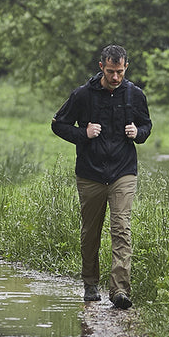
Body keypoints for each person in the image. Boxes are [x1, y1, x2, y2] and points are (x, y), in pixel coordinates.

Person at [50, 45, 152, 310]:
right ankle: (90, 283)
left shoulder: (135, 95)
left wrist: (137, 133)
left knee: (121, 229)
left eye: (119, 71)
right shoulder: (83, 95)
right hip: (90, 174)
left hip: (123, 172)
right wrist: (83, 133)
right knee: (90, 232)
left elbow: (147, 126)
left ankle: (119, 290)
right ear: (101, 67)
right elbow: (58, 124)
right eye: (110, 72)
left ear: (125, 67)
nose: (115, 77)